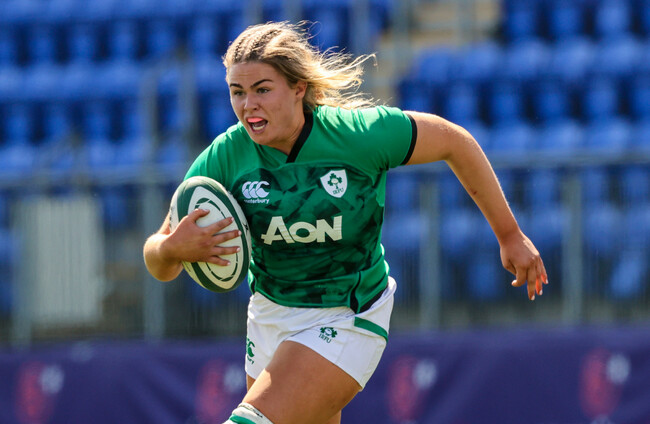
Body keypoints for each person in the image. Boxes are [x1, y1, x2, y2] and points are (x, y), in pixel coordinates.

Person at [143, 21, 548, 424]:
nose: (248, 105)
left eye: (262, 89)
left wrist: (509, 234)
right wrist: (171, 249)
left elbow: (454, 141)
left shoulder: (357, 136)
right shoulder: (226, 156)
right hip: (268, 314)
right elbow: (156, 259)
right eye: (237, 92)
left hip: (347, 314)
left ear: (298, 88)